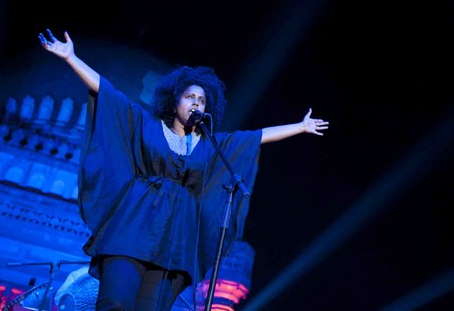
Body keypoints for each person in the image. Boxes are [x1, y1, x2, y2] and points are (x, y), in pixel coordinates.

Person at [38, 29, 329, 311]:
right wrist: (71, 58)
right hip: (134, 226)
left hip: (175, 239)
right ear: (174, 100)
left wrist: (300, 127)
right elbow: (108, 94)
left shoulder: (209, 144)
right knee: (116, 303)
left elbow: (255, 137)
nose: (196, 103)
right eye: (190, 97)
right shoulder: (148, 126)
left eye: (201, 100)